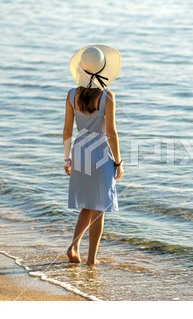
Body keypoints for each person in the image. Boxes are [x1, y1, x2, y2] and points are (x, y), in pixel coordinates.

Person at [63, 44, 124, 266]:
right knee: (99, 208)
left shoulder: (72, 94)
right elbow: (111, 133)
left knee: (87, 205)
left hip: (79, 152)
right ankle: (91, 259)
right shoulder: (107, 95)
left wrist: (67, 158)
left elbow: (67, 130)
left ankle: (73, 247)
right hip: (100, 154)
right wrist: (118, 162)